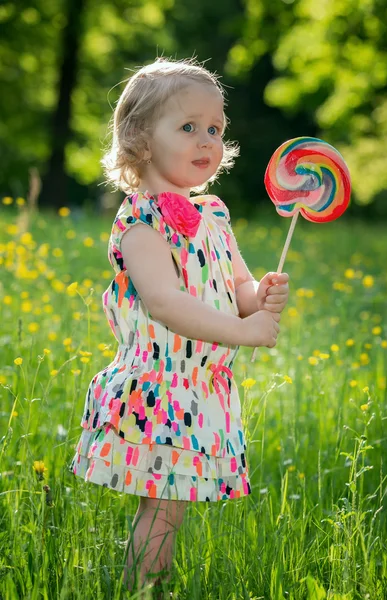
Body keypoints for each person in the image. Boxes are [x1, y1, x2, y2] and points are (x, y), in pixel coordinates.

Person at [68, 57, 289, 596]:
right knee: (163, 506)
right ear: (140, 138)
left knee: (173, 508)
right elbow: (165, 303)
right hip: (162, 388)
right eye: (188, 127)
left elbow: (237, 288)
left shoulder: (213, 213)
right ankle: (143, 588)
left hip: (202, 391)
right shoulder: (140, 223)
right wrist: (245, 332)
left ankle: (150, 585)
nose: (206, 141)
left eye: (214, 129)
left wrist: (258, 297)